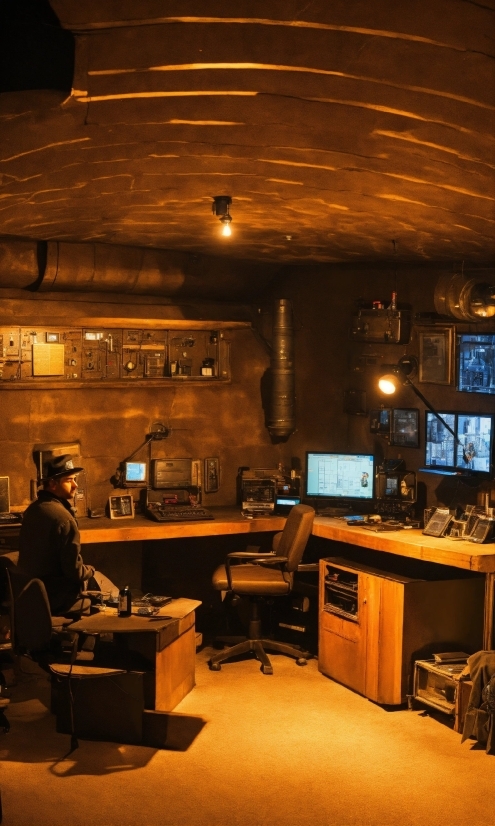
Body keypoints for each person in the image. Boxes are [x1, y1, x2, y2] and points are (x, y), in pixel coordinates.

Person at [18, 454, 116, 617]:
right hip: (58, 598)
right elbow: (74, 572)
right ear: (52, 484)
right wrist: (90, 570)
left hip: (33, 593)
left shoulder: (33, 510)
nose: (75, 485)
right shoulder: (63, 519)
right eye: (69, 480)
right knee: (114, 594)